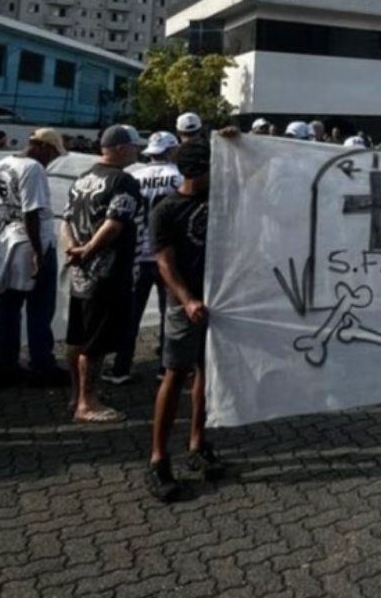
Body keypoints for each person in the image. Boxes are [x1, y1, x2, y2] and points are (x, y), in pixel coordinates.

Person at [145, 139, 226, 501]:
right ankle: (159, 459)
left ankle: (198, 442)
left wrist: (233, 141)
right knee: (175, 373)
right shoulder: (167, 210)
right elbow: (164, 261)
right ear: (199, 171)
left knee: (206, 372)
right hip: (185, 302)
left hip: (219, 300)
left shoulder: (221, 200)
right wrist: (187, 299)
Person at [63, 125, 146, 423]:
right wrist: (89, 250)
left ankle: (77, 394)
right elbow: (114, 223)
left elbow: (66, 220)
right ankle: (88, 402)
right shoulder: (123, 181)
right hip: (106, 272)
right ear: (121, 148)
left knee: (77, 337)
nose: (137, 152)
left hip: (80, 274)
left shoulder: (82, 179)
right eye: (134, 147)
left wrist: (74, 248)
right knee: (95, 343)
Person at [0, 128, 73, 390]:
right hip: (33, 243)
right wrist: (38, 252)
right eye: (52, 153)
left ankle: (4, 367)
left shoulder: (3, 163)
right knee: (40, 308)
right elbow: (32, 212)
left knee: (9, 309)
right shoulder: (33, 168)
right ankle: (42, 366)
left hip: (10, 239)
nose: (51, 160)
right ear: (43, 147)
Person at [106, 131, 184, 385]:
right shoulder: (180, 178)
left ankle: (121, 366)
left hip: (138, 253)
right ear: (171, 151)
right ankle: (167, 366)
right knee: (169, 313)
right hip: (169, 255)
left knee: (131, 314)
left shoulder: (133, 177)